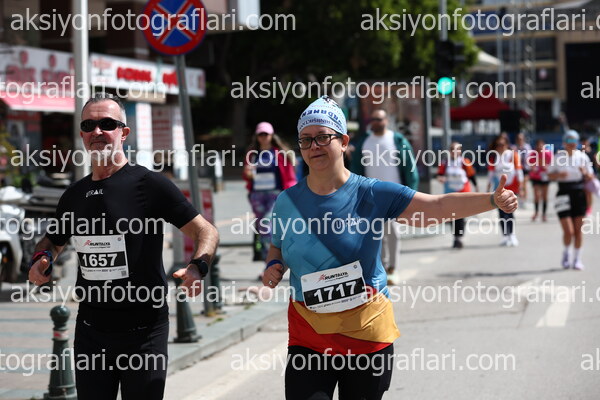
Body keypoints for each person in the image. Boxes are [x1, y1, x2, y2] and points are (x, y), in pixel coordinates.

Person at [262, 96, 517, 400]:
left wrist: (491, 200)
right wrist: (273, 265)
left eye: (322, 137)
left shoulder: (372, 193)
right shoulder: (287, 202)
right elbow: (277, 247)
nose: (313, 146)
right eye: (306, 139)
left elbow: (436, 206)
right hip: (308, 337)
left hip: (366, 337)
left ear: (344, 142)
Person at [28, 93, 219, 400]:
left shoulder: (150, 185)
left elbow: (205, 231)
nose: (97, 131)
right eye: (89, 125)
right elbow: (53, 240)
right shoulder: (74, 195)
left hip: (144, 333)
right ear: (82, 134)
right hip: (91, 331)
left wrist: (198, 267)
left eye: (107, 123)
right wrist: (42, 258)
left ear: (124, 132)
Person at [350, 109, 419, 284]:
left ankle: (393, 268)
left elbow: (410, 168)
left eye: (379, 119)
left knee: (392, 232)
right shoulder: (365, 142)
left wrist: (411, 194)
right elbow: (356, 169)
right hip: (370, 196)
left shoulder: (397, 140)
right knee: (375, 235)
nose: (375, 122)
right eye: (372, 119)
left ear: (386, 120)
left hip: (395, 195)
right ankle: (382, 268)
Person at [243, 122, 297, 262]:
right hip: (257, 196)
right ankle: (269, 263)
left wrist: (292, 194)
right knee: (263, 229)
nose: (263, 137)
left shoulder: (280, 154)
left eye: (266, 134)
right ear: (257, 136)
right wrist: (248, 173)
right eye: (260, 134)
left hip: (275, 195)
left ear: (272, 135)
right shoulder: (252, 154)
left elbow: (290, 176)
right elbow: (247, 175)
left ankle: (274, 261)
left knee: (267, 226)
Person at [548, 130, 594, 270]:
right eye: (568, 141)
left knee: (578, 231)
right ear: (564, 142)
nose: (571, 143)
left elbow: (590, 177)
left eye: (574, 141)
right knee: (569, 231)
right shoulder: (558, 157)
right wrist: (558, 175)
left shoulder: (582, 157)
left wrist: (584, 173)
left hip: (579, 193)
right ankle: (566, 253)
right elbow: (549, 175)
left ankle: (577, 259)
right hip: (563, 193)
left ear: (577, 142)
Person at [437, 141, 478, 249]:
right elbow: (440, 174)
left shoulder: (465, 162)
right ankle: (456, 237)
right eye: (453, 150)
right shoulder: (445, 162)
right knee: (452, 216)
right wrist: (441, 178)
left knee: (460, 215)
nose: (455, 152)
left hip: (463, 192)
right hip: (450, 192)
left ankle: (459, 238)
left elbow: (472, 175)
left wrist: (476, 187)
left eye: (457, 150)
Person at [487, 134, 523, 247]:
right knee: (501, 212)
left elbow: (519, 171)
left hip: (512, 187)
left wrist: (522, 188)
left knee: (510, 211)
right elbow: (491, 174)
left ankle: (512, 234)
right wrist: (488, 188)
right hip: (499, 188)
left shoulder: (513, 155)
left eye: (502, 144)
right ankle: (505, 235)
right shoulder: (494, 157)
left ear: (507, 144)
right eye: (498, 145)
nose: (500, 147)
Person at [528, 139, 552, 222]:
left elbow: (552, 165)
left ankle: (544, 214)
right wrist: (533, 168)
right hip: (535, 177)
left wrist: (546, 167)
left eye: (541, 145)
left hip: (545, 177)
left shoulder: (548, 154)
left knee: (544, 196)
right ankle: (536, 212)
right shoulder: (532, 154)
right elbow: (530, 164)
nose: (539, 147)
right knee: (536, 196)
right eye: (538, 145)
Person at [581, 137, 598, 215]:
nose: (584, 143)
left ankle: (589, 207)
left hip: (591, 174)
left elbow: (596, 164)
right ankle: (585, 206)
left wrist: (595, 174)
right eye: (583, 142)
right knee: (583, 192)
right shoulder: (580, 152)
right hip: (582, 174)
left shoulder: (593, 152)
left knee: (589, 192)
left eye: (586, 141)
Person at [512, 132, 532, 202]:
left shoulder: (527, 147)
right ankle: (519, 197)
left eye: (521, 139)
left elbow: (530, 157)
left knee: (524, 182)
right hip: (517, 168)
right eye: (518, 139)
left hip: (526, 168)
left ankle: (524, 199)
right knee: (519, 183)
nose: (520, 140)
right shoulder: (514, 147)